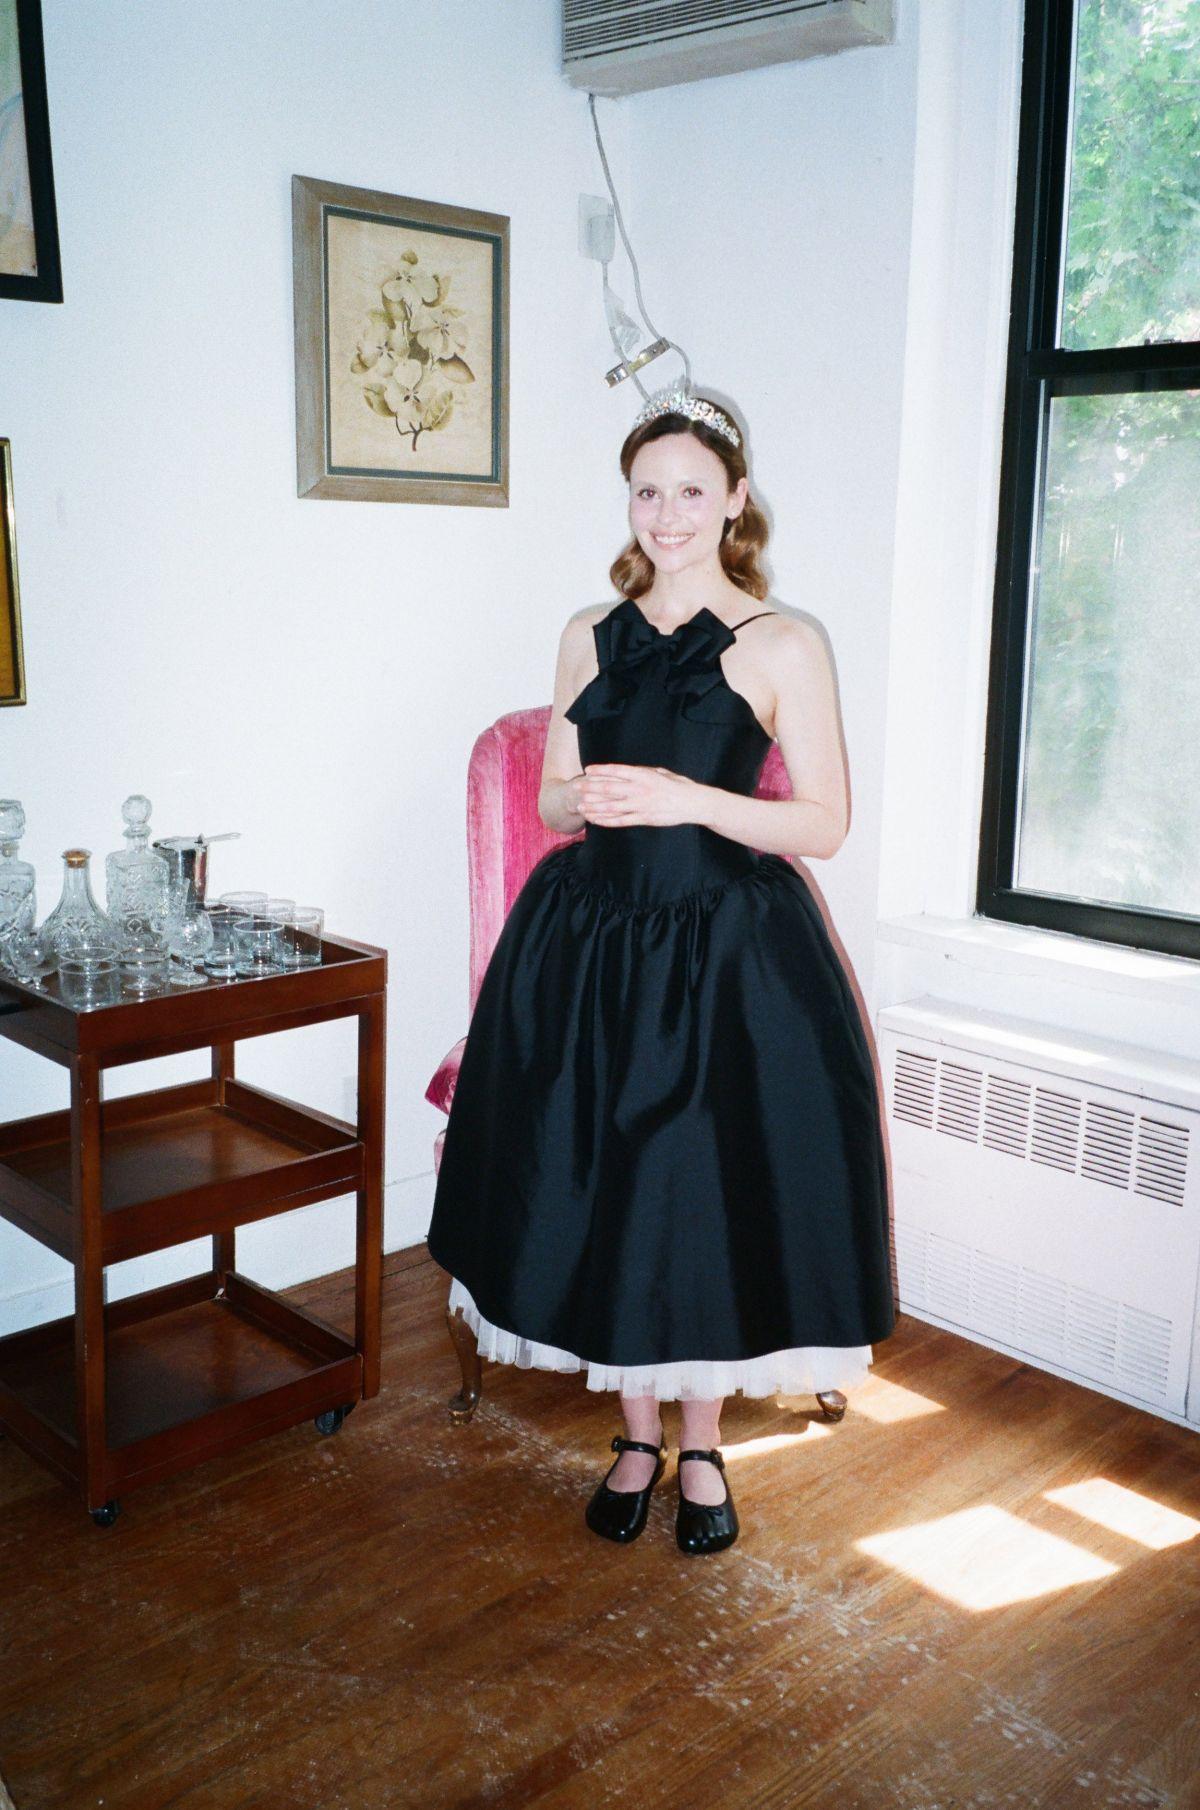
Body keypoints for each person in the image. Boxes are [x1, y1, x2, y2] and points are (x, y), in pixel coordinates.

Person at [426, 388, 895, 1555]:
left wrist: (690, 799)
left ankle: (701, 1446)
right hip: (588, 944)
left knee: (699, 1195)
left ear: (735, 499)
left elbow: (825, 823)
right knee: (606, 1189)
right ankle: (633, 1438)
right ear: (628, 502)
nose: (668, 513)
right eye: (648, 490)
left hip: (727, 954)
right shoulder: (589, 630)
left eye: (692, 489)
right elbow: (552, 798)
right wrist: (582, 797)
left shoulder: (785, 643)